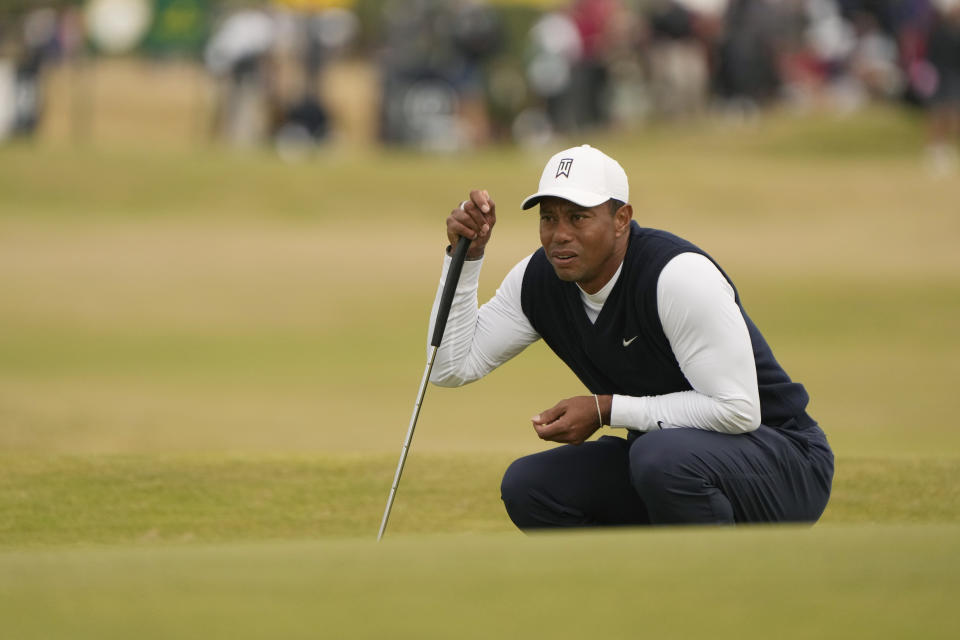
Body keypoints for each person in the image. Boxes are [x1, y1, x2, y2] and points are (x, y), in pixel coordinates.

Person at [428, 144, 833, 528]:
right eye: (548, 218)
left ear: (621, 220)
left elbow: (738, 410)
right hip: (671, 461)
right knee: (530, 486)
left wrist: (606, 411)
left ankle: (714, 586)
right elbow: (449, 366)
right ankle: (629, 593)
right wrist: (466, 259)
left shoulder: (677, 276)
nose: (559, 234)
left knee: (659, 458)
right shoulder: (540, 280)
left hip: (784, 462)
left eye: (578, 217)